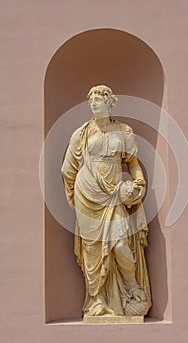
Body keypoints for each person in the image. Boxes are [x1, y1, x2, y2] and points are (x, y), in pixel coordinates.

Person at [61, 85, 151, 318]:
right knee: (92, 252)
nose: (93, 105)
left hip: (113, 195)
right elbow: (67, 170)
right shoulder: (81, 134)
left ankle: (131, 286)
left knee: (120, 244)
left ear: (109, 104)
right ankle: (97, 300)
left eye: (98, 101)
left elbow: (132, 163)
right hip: (86, 197)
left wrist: (138, 185)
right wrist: (75, 197)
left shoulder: (123, 131)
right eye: (90, 101)